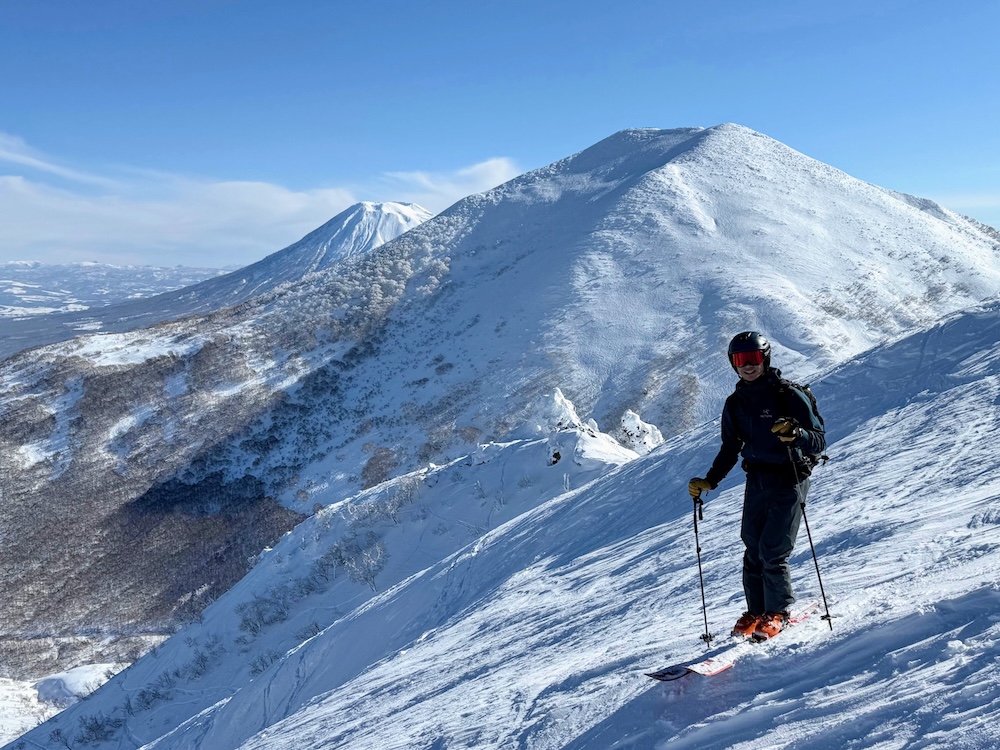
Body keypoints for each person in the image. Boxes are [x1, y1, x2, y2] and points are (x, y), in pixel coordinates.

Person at [688, 331, 826, 640]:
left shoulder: (787, 395)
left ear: (764, 359)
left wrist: (797, 435)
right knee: (752, 546)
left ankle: (777, 612)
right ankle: (756, 611)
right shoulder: (736, 403)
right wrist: (710, 480)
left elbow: (818, 439)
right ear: (733, 364)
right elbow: (730, 448)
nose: (748, 366)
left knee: (773, 549)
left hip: (790, 476)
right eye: (740, 360)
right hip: (757, 479)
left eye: (753, 359)